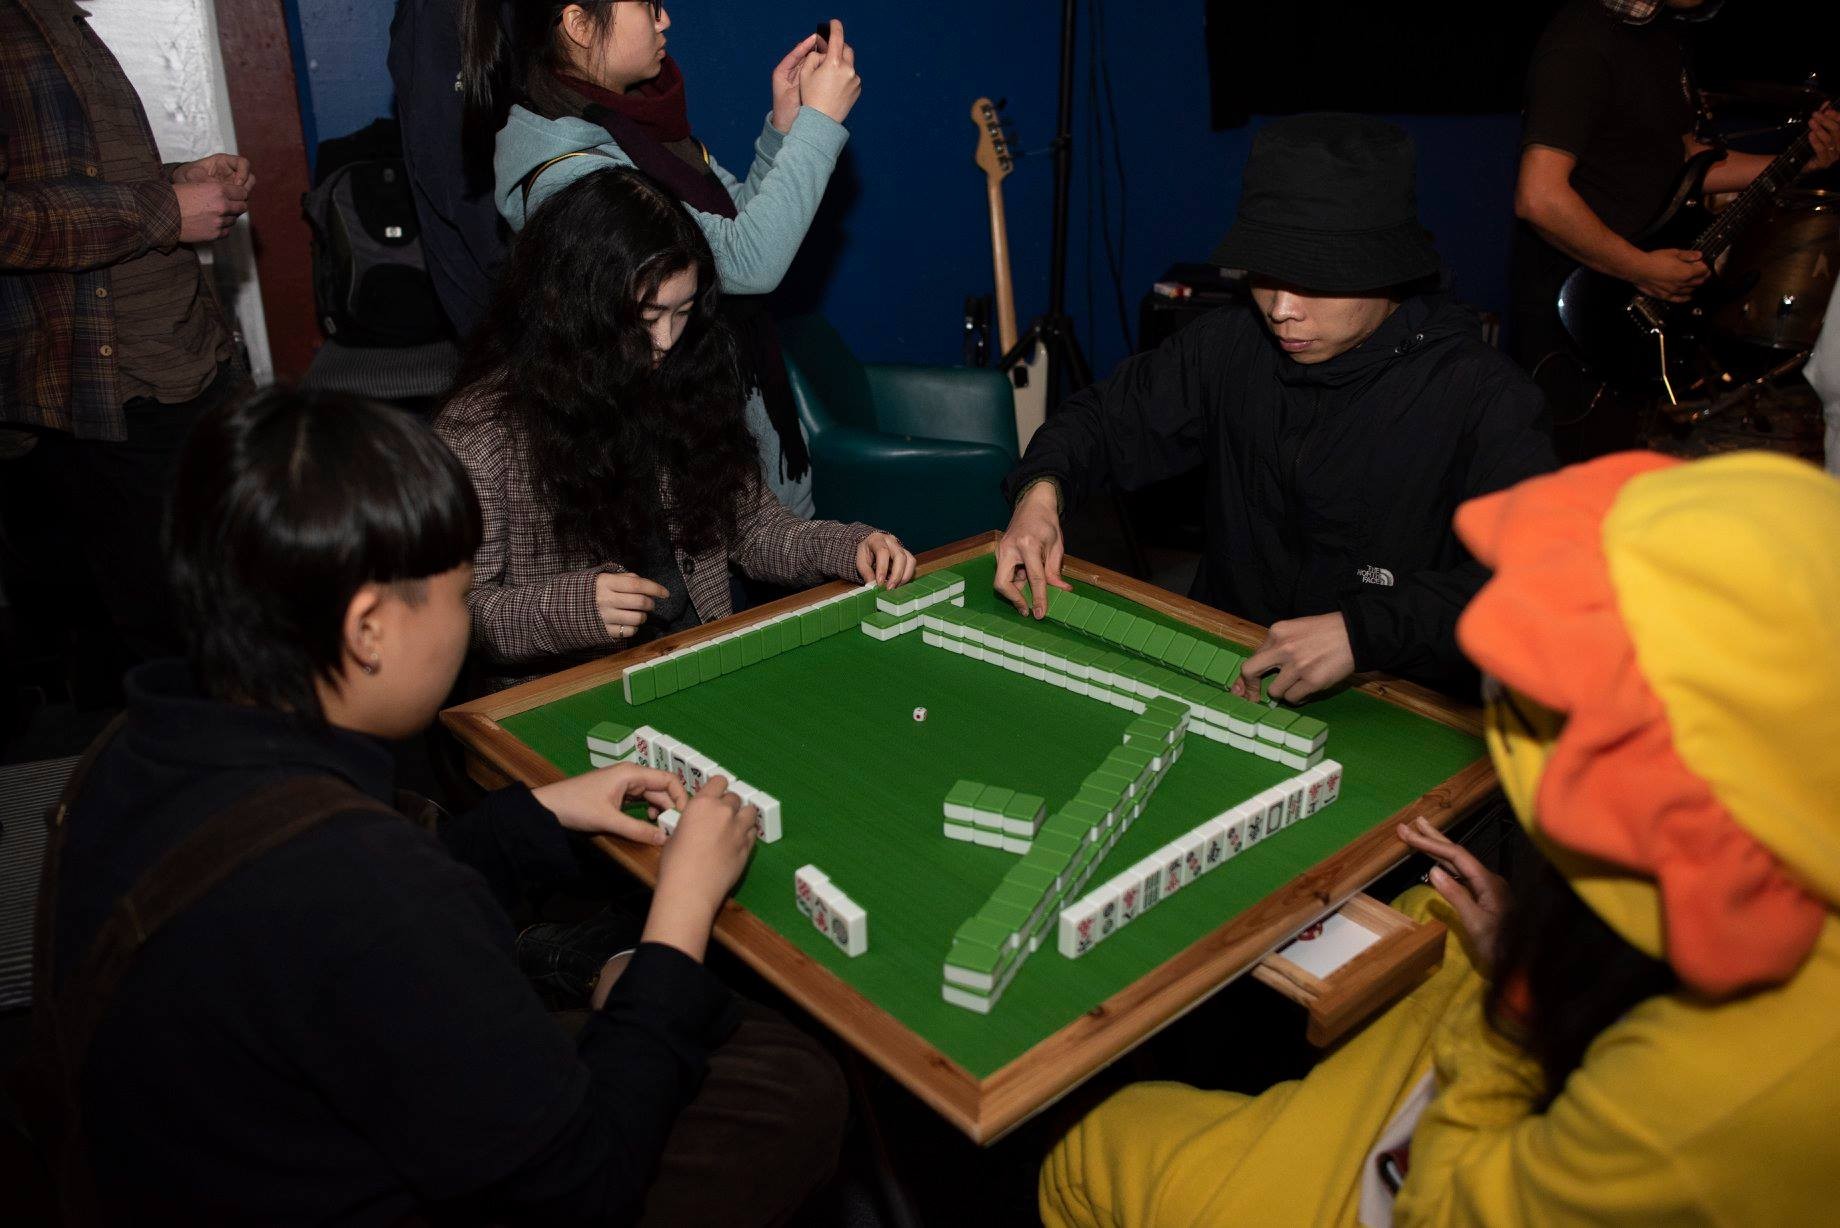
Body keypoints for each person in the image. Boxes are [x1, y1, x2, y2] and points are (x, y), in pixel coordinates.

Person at [26, 385, 848, 1223]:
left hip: (205, 1154)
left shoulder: (141, 743)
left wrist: (539, 814)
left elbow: (322, 916)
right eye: (458, 597)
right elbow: (585, 1187)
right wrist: (678, 919)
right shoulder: (371, 887)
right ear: (368, 629)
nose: (465, 624)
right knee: (795, 1086)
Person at [1038, 449, 1840, 1226]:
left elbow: (1428, 1203)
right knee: (1432, 911)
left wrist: (1515, 1013)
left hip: (1458, 1163)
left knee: (1094, 1146)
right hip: (1557, 1079)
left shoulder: (1694, 1107)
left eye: (1526, 712)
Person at [998, 114, 1555, 703]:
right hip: (1223, 661)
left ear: (1388, 269)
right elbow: (1104, 418)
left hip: (1393, 691)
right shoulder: (1227, 344)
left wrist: (1362, 633)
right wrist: (1041, 493)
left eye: (1314, 281)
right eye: (1266, 275)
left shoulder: (1485, 395)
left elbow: (1532, 583)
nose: (1282, 308)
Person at [436, 167, 912, 687]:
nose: (665, 341)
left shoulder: (687, 380)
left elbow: (754, 530)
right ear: (579, 309)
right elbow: (455, 618)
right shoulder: (480, 434)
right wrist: (573, 606)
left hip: (696, 661)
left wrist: (848, 547)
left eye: (682, 312)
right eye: (646, 316)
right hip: (569, 694)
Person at [463, 1, 864, 518]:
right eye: (647, 5)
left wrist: (784, 132)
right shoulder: (572, 169)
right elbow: (750, 265)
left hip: (733, 425)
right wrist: (820, 125)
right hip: (677, 465)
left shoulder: (636, 124)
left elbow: (731, 234)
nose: (665, 19)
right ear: (580, 24)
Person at [1, 0, 253, 673]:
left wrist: (176, 180)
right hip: (108, 389)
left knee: (229, 608)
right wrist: (162, 209)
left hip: (181, 365)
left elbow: (68, 182)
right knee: (179, 641)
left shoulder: (56, 18)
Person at [1509, 0, 1840, 458]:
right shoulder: (1581, 40)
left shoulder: (1666, 35)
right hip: (1574, 307)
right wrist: (1640, 268)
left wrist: (1802, 162)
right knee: (1566, 477)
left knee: (1624, 470)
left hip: (1633, 303)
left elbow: (1685, 162)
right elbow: (1539, 197)